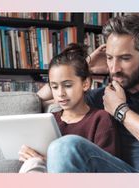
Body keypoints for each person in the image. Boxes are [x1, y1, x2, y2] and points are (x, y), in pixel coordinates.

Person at [38, 15, 139, 173]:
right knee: (64, 147)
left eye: (125, 58)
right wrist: (83, 66)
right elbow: (40, 97)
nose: (114, 68)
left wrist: (120, 110)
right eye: (110, 58)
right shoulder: (104, 96)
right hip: (125, 175)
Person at [18, 43, 120, 173]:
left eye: (67, 85)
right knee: (32, 163)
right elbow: (32, 100)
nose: (60, 93)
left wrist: (49, 160)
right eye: (54, 87)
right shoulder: (49, 121)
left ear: (86, 84)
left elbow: (105, 167)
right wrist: (28, 154)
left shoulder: (101, 119)